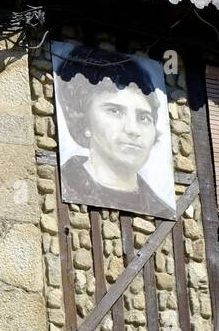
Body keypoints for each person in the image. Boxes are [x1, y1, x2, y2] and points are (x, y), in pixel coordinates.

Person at [56, 48, 174, 217]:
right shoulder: (63, 185)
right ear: (84, 121)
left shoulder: (161, 210)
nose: (133, 130)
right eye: (114, 111)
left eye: (143, 117)